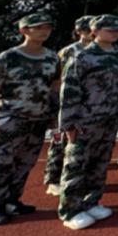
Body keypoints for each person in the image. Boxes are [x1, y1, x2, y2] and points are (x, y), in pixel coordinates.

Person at [57, 14, 118, 230]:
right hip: (85, 120)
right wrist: (68, 123)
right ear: (95, 31)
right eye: (109, 29)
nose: (114, 32)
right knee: (76, 164)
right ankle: (71, 210)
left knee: (100, 162)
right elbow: (70, 91)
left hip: (111, 118)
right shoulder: (83, 56)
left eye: (117, 29)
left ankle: (91, 201)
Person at [0, 13, 60, 225]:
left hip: (38, 120)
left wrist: (54, 116)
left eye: (47, 27)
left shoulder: (52, 57)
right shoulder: (7, 58)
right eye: (38, 27)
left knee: (25, 163)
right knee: (0, 164)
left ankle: (12, 200)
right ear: (24, 30)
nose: (44, 31)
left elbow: (54, 88)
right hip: (10, 119)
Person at [43, 15, 93, 195]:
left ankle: (78, 178)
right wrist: (56, 106)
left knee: (80, 145)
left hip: (87, 105)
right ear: (78, 31)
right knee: (59, 142)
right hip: (65, 103)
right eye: (86, 30)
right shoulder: (68, 52)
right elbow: (57, 81)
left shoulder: (98, 51)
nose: (90, 33)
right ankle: (53, 179)